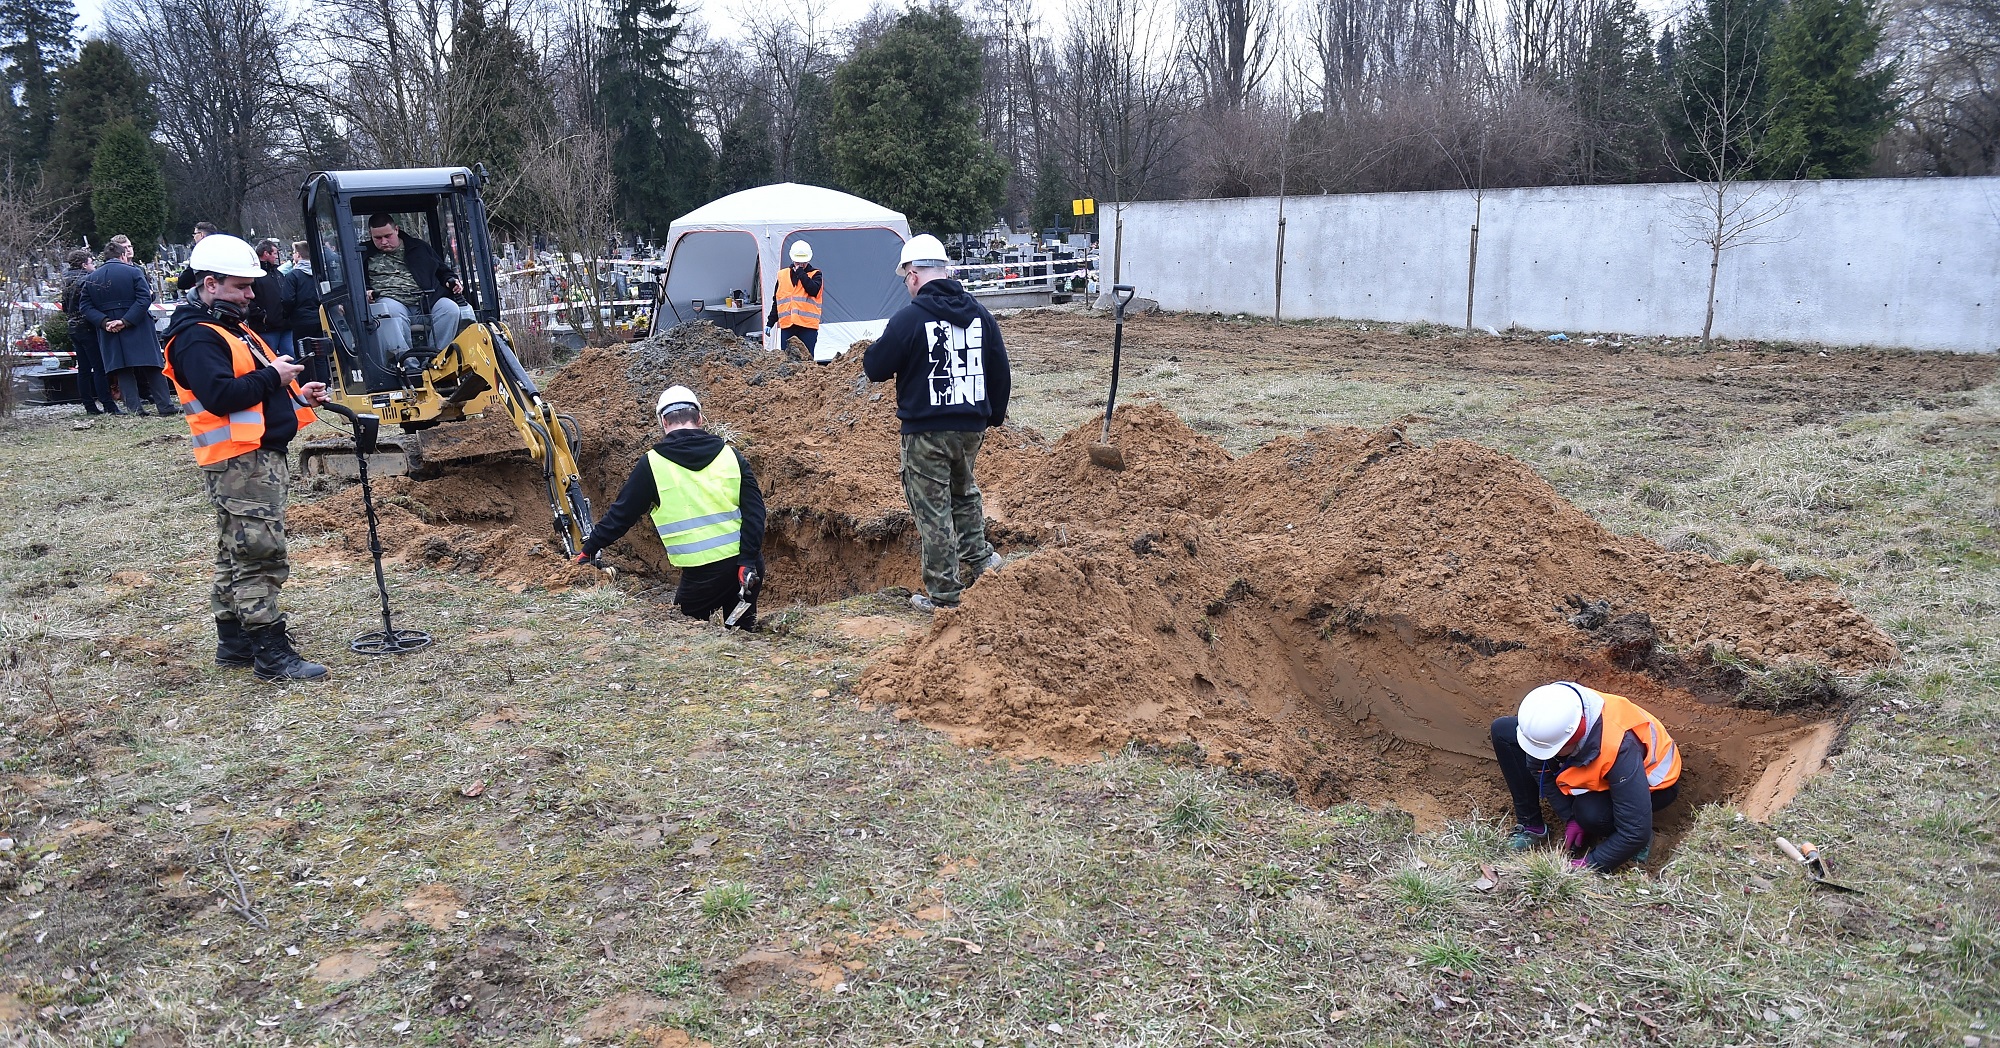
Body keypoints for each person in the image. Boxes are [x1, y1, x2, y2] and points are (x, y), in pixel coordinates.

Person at [161, 234, 332, 682]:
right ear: (210, 284)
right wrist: (273, 376)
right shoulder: (197, 337)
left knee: (234, 549)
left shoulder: (229, 326)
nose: (251, 294)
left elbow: (253, 388)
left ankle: (234, 642)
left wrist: (298, 394)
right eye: (242, 286)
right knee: (260, 554)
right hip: (241, 461)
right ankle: (271, 653)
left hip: (251, 457)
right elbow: (221, 396)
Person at [862, 233, 1010, 612]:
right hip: (971, 426)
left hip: (927, 430)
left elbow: (875, 367)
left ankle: (945, 595)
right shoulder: (980, 315)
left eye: (906, 280)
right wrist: (992, 415)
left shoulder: (910, 319)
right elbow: (999, 367)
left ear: (913, 275)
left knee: (933, 509)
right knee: (964, 492)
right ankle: (981, 560)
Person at [575, 385, 767, 629]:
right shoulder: (732, 456)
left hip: (702, 576)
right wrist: (747, 560)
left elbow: (621, 516)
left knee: (685, 632)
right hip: (746, 569)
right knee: (741, 633)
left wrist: (589, 549)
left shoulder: (652, 465)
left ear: (664, 422)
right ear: (699, 419)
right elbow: (755, 513)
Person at [1491, 681, 1683, 871]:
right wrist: (1569, 817)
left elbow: (1635, 832)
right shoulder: (1557, 707)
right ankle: (1532, 826)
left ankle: (1635, 839)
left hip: (1652, 784)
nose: (1540, 755)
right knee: (1502, 731)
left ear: (1575, 737)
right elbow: (1538, 766)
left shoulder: (1619, 747)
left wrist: (1590, 864)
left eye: (1550, 750)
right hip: (1604, 767)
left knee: (1591, 814)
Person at [81, 235, 178, 417]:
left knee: (123, 369)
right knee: (152, 366)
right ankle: (165, 406)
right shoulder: (133, 272)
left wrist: (104, 321)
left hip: (110, 329)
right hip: (137, 324)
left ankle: (135, 409)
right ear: (123, 255)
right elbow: (144, 298)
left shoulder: (92, 277)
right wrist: (126, 320)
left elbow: (85, 307)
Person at [360, 213, 475, 366]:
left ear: (397, 230)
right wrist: (366, 291)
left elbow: (442, 271)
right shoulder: (362, 254)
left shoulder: (419, 247)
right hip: (392, 301)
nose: (384, 242)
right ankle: (408, 363)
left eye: (387, 236)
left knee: (450, 309)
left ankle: (435, 359)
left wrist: (451, 281)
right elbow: (355, 281)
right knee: (389, 312)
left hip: (427, 302)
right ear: (370, 235)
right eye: (378, 238)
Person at [60, 248, 119, 415]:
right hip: (87, 327)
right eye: (91, 263)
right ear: (83, 265)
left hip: (73, 327)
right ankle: (108, 404)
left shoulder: (66, 280)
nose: (94, 266)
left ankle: (89, 405)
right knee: (99, 368)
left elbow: (64, 306)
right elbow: (91, 304)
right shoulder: (86, 280)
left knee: (84, 369)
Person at [766, 240, 823, 359]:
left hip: (808, 327)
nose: (800, 264)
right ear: (792, 259)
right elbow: (777, 301)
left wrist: (801, 273)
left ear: (808, 260)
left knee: (807, 360)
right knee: (787, 361)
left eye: (803, 262)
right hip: (788, 326)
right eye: (798, 262)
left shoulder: (816, 274)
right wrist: (770, 323)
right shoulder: (782, 275)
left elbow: (813, 290)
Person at [283, 240, 328, 387]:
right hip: (319, 319)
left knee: (303, 355)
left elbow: (287, 299)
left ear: (298, 254)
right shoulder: (319, 275)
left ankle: (306, 385)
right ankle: (324, 385)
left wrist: (286, 315)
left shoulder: (293, 276)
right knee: (320, 356)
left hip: (301, 321)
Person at [249, 238, 293, 360]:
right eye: (274, 253)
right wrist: (262, 317)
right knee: (269, 360)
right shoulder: (254, 275)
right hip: (266, 328)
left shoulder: (277, 273)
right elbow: (247, 299)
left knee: (291, 359)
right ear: (266, 254)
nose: (277, 256)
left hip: (285, 325)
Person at [176, 222, 221, 291]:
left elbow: (183, 282)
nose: (194, 237)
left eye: (195, 234)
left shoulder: (201, 253)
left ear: (201, 235)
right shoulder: (221, 250)